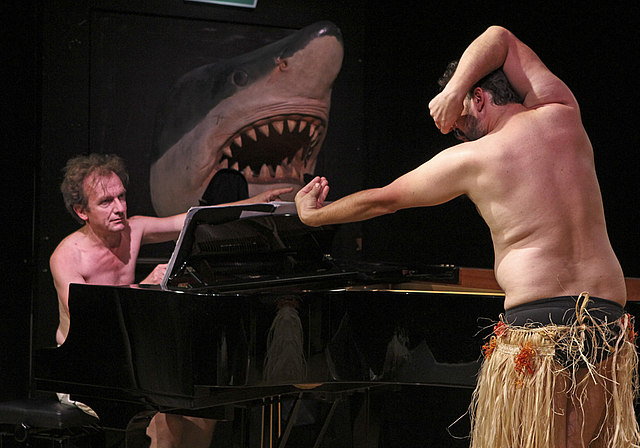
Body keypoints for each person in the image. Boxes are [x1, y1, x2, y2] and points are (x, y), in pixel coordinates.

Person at [295, 26, 640, 448]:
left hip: (539, 323)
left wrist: (315, 216)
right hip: (606, 319)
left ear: (478, 98)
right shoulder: (562, 110)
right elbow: (504, 40)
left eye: (459, 124)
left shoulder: (474, 158)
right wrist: (457, 89)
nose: (458, 134)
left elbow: (384, 200)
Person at [50, 153, 292, 448]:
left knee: (204, 408)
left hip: (131, 362)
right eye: (106, 202)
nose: (120, 208)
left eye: (122, 197)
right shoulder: (67, 256)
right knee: (165, 416)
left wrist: (256, 203)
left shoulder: (132, 229)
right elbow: (90, 328)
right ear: (81, 211)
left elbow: (191, 220)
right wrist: (142, 287)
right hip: (83, 367)